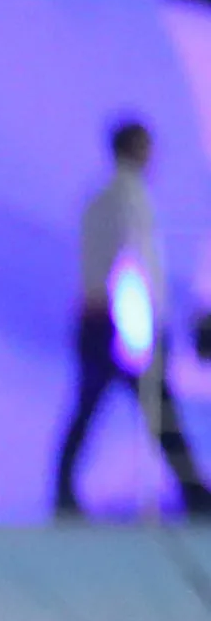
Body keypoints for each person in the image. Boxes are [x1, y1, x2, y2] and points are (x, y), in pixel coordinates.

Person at [53, 117, 208, 520]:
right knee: (159, 412)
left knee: (90, 411)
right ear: (137, 149)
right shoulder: (131, 199)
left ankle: (63, 490)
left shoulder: (97, 200)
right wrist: (138, 336)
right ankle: (195, 494)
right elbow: (131, 268)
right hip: (124, 329)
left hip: (95, 323)